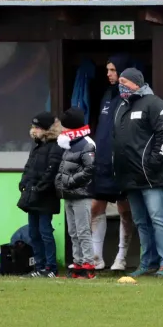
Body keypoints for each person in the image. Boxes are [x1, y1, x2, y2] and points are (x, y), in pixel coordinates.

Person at [112, 68, 163, 277]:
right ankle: (147, 262)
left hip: (150, 176)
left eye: (124, 82)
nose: (120, 85)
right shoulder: (121, 107)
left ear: (136, 83)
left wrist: (153, 163)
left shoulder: (154, 103)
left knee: (158, 218)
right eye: (119, 82)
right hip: (129, 177)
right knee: (140, 222)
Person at [91, 54, 135, 271]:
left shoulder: (132, 97)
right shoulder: (107, 95)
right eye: (107, 70)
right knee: (95, 207)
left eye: (113, 70)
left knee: (124, 210)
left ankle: (121, 256)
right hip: (101, 163)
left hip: (122, 164)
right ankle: (96, 257)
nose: (109, 74)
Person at [17, 112, 64, 278]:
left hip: (46, 197)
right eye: (33, 126)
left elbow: (51, 171)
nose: (34, 130)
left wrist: (39, 188)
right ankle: (39, 265)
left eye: (37, 127)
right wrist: (24, 183)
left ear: (45, 129)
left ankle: (51, 268)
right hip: (32, 195)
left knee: (45, 232)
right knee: (33, 232)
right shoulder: (37, 146)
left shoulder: (55, 146)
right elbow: (29, 167)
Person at [55, 107, 97, 279]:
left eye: (65, 126)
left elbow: (90, 169)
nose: (62, 130)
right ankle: (78, 262)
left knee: (83, 230)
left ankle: (88, 263)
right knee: (73, 231)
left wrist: (70, 182)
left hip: (81, 194)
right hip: (69, 195)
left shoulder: (87, 143)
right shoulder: (68, 143)